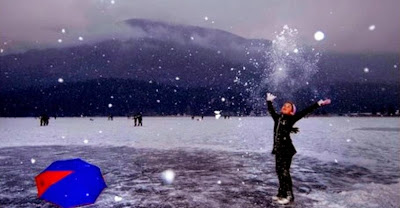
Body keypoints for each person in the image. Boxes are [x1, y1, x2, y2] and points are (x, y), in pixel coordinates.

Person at [266, 93, 331, 205]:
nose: (285, 107)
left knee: (285, 172)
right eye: (284, 105)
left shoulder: (292, 118)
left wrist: (318, 104)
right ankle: (281, 193)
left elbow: (305, 111)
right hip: (278, 150)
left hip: (286, 150)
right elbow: (271, 111)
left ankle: (289, 195)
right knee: (279, 171)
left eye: (288, 106)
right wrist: (269, 101)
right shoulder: (278, 118)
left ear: (291, 111)